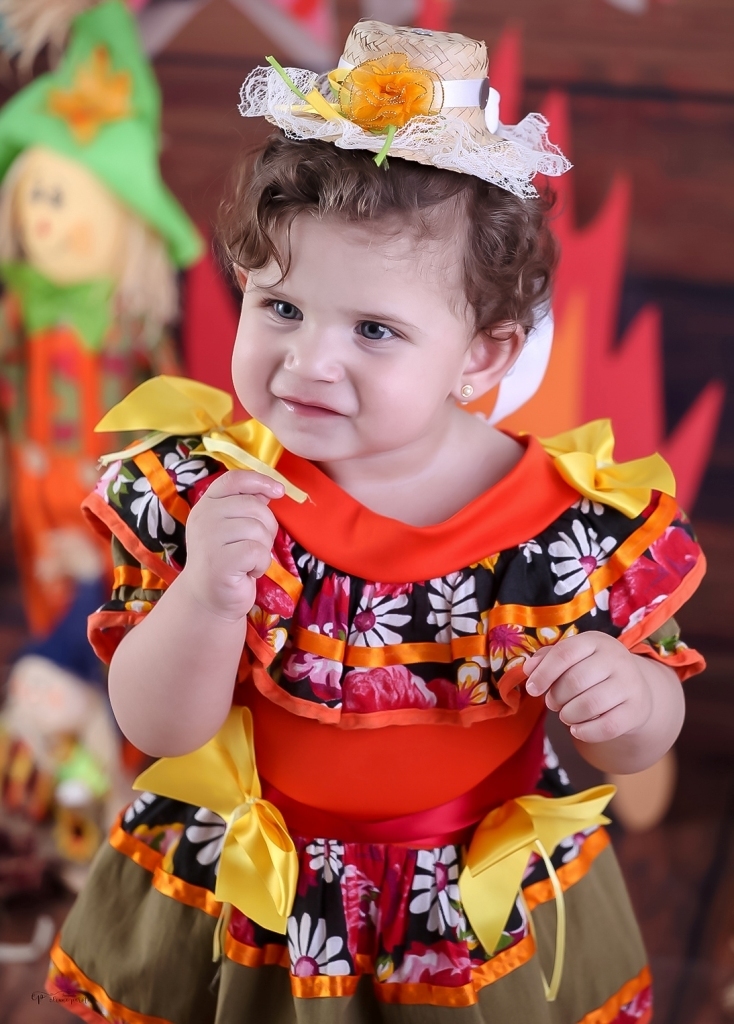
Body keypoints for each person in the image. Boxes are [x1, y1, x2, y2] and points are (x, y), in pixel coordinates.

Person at [46, 20, 705, 1024]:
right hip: (262, 891)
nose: (309, 362)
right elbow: (157, 726)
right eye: (280, 307)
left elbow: (637, 746)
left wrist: (630, 701)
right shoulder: (207, 490)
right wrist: (208, 597)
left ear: (480, 355)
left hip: (461, 904)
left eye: (372, 329)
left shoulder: (560, 530)